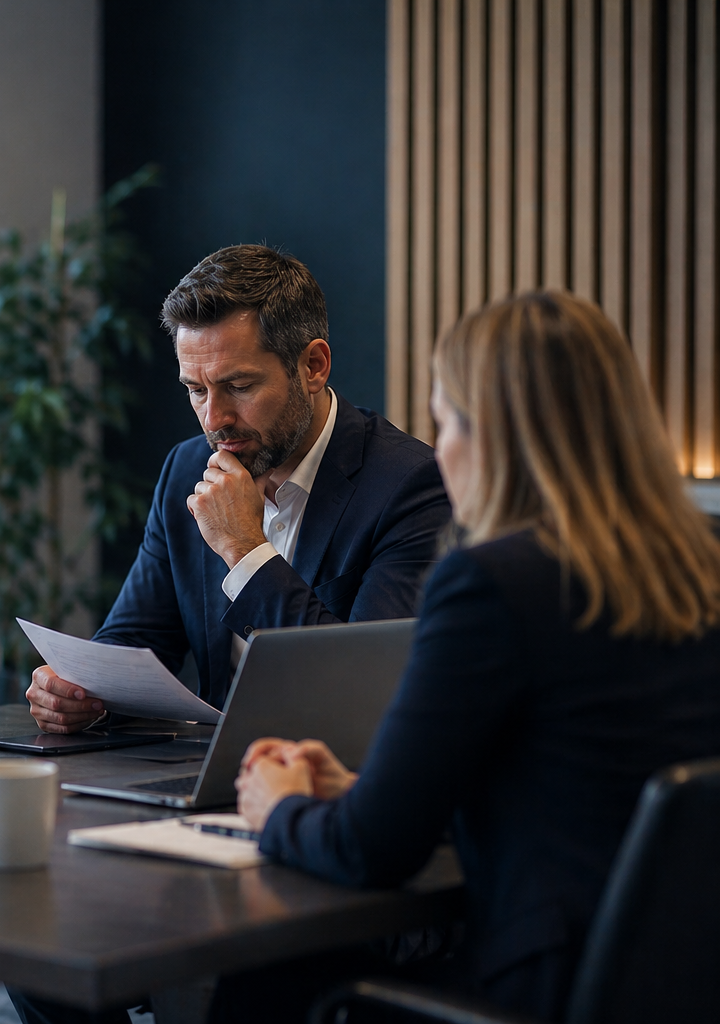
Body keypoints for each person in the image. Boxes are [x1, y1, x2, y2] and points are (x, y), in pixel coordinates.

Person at [234, 291, 720, 1022]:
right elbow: (575, 777)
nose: (441, 447)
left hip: (538, 989)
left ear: (489, 433)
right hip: (679, 984)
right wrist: (363, 785)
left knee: (262, 979)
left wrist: (281, 808)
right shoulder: (698, 566)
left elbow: (372, 852)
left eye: (446, 420)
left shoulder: (494, 582)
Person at [25, 244, 452, 730]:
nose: (215, 419)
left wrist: (244, 549)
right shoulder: (187, 467)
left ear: (313, 366)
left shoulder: (412, 486)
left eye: (240, 386)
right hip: (204, 778)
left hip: (334, 783)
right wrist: (80, 691)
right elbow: (137, 640)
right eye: (196, 389)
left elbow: (362, 691)